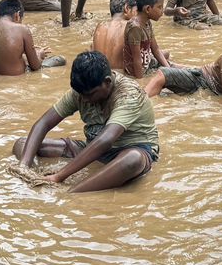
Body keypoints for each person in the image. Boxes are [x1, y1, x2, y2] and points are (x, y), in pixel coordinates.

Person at [12, 51, 161, 193]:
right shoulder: (81, 92)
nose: (84, 100)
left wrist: (59, 176)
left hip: (131, 149)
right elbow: (44, 123)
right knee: (23, 144)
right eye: (81, 95)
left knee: (132, 160)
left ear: (107, 82)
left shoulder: (128, 94)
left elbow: (106, 140)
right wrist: (24, 167)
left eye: (89, 95)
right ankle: (32, 176)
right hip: (93, 148)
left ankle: (69, 193)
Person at [148, 16, 222, 112]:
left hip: (214, 85)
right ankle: (141, 100)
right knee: (164, 74)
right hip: (203, 81)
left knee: (179, 67)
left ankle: (169, 64)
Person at [0, 0, 51, 76]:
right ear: (17, 15)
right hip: (14, 79)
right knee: (59, 60)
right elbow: (35, 66)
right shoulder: (22, 29)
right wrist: (39, 55)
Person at [119, 0, 170, 79]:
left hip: (147, 62)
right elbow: (136, 60)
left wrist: (169, 70)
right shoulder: (135, 28)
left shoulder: (147, 22)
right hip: (137, 70)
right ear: (147, 9)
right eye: (160, 7)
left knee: (167, 55)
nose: (162, 11)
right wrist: (141, 81)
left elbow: (156, 49)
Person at [92, 0, 137, 65]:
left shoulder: (100, 26)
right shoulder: (130, 26)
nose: (137, 16)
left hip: (98, 71)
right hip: (119, 72)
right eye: (137, 11)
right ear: (127, 8)